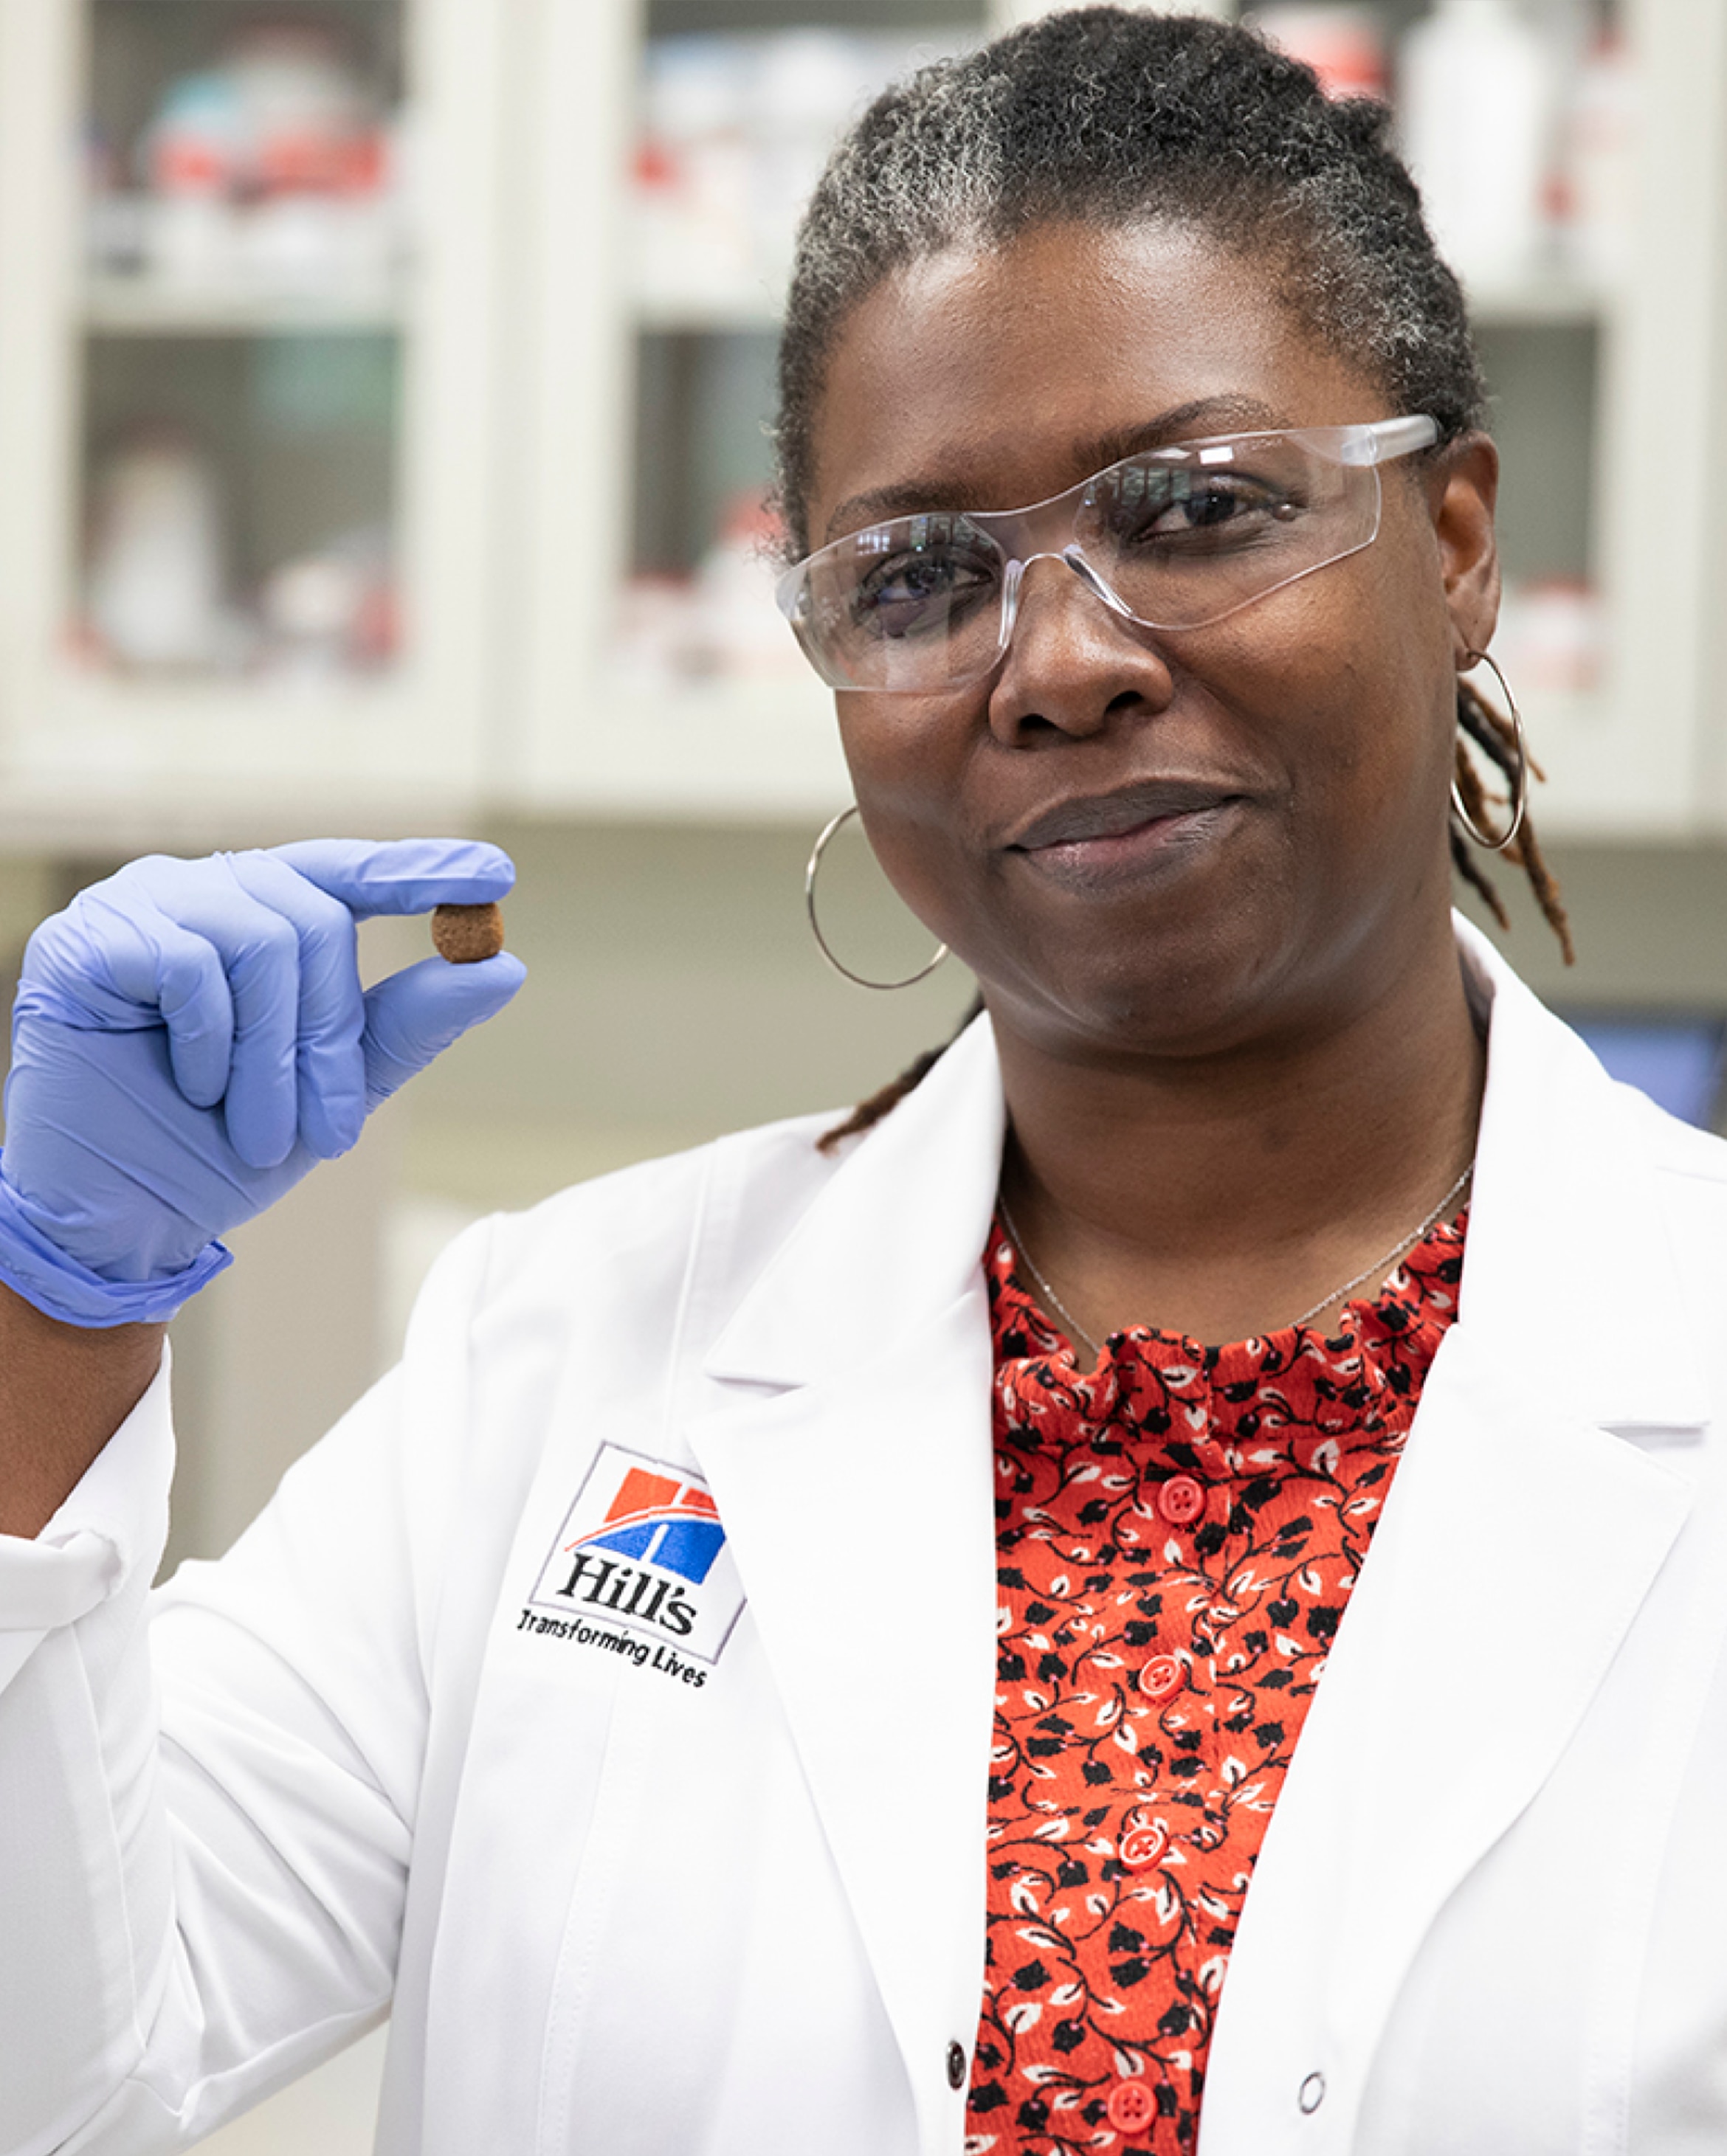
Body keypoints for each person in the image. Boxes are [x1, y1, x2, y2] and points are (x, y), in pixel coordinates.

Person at [0, 11, 1720, 2155]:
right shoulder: (557, 1356)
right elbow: (53, 2071)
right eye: (918, 574)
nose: (1060, 660)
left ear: (1453, 540)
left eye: (1191, 508)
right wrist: (57, 1321)